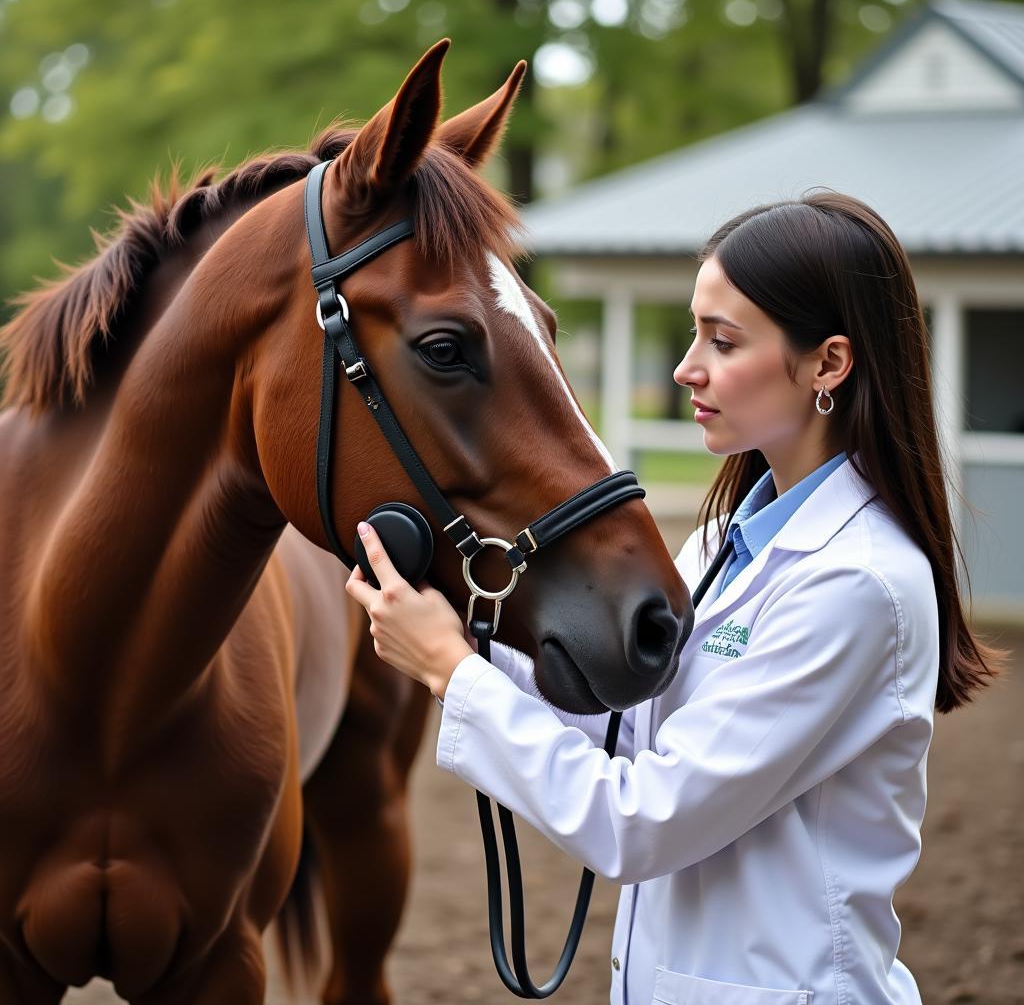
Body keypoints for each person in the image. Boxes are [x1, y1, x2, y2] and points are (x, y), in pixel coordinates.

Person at [345, 191, 1003, 1005]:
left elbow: (642, 820)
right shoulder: (725, 536)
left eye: (722, 341)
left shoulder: (856, 583)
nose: (687, 367)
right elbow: (633, 730)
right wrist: (473, 643)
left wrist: (454, 673)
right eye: (695, 332)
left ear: (829, 364)